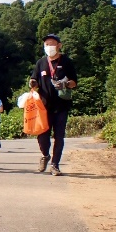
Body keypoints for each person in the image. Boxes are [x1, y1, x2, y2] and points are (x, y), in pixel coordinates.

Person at [29, 34, 77, 176]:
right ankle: (45, 155)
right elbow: (34, 80)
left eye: (52, 44)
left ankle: (55, 165)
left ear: (59, 45)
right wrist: (32, 83)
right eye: (46, 44)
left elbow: (74, 82)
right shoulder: (41, 62)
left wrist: (66, 84)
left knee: (59, 136)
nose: (49, 47)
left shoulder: (66, 62)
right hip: (43, 106)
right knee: (42, 135)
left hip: (62, 105)